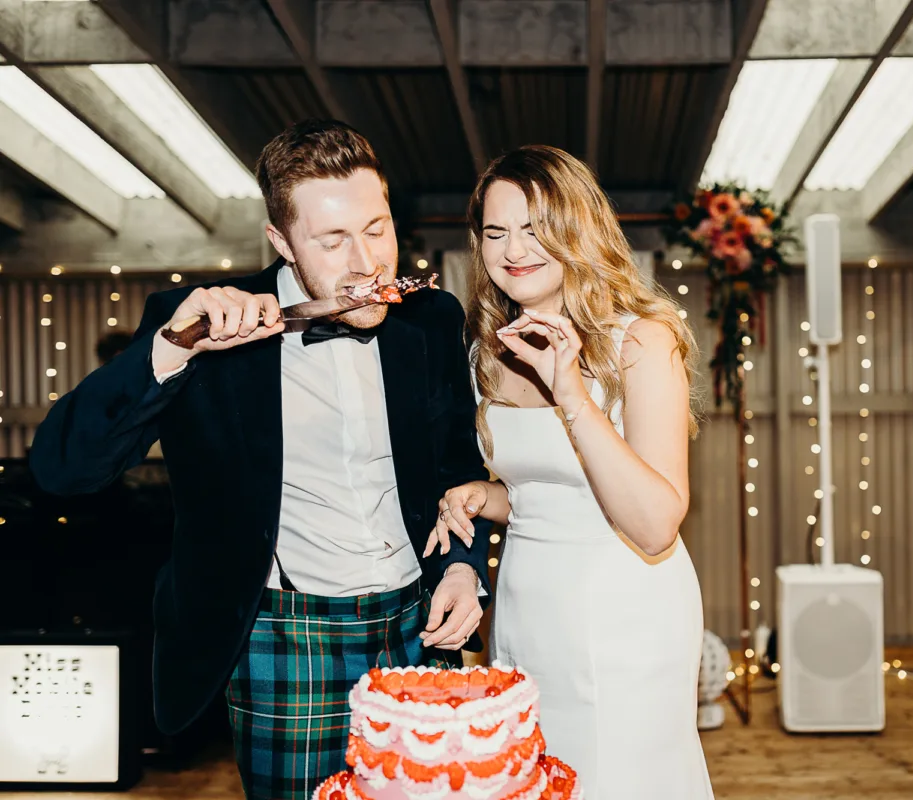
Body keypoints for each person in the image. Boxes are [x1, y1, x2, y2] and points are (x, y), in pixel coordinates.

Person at [29, 119, 492, 800]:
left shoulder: (430, 319)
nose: (367, 261)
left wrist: (462, 565)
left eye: (377, 229)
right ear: (281, 240)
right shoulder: (198, 324)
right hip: (284, 638)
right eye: (333, 240)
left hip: (414, 626)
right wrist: (171, 350)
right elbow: (63, 469)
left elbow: (460, 465)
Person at [427, 145, 715, 799]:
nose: (512, 249)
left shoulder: (642, 339)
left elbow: (655, 525)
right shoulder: (484, 352)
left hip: (627, 613)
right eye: (495, 232)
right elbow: (543, 494)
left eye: (534, 227)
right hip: (526, 611)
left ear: (577, 228)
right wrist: (485, 496)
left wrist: (573, 397)